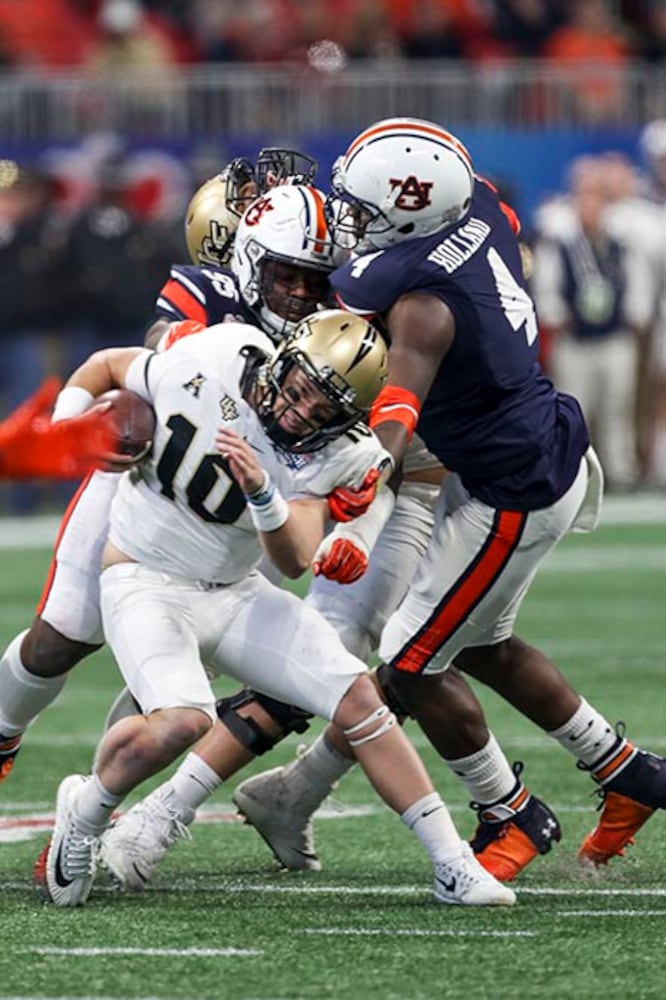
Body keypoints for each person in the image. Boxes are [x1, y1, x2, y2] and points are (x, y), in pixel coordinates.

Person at [220, 118, 666, 873]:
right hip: (528, 451)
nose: (350, 219)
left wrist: (370, 467)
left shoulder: (417, 301)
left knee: (410, 662)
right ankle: (628, 772)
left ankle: (509, 815)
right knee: (479, 644)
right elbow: (497, 240)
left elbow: (399, 400)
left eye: (364, 210)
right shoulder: (482, 207)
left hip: (510, 489)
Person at [33, 308, 515, 910]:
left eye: (324, 409)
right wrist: (67, 428)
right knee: (184, 720)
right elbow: (106, 365)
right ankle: (86, 811)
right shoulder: (214, 359)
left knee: (361, 701)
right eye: (301, 389)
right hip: (144, 578)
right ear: (282, 360)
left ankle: (453, 865)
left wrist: (263, 494)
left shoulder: (344, 451)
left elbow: (293, 560)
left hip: (235, 592)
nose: (301, 411)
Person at [0, 165, 332, 784]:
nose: (304, 287)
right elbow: (158, 351)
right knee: (63, 634)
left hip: (239, 511)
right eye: (288, 269)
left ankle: (99, 807)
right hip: (151, 483)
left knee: (183, 674)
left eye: (314, 273)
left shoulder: (332, 320)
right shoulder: (206, 287)